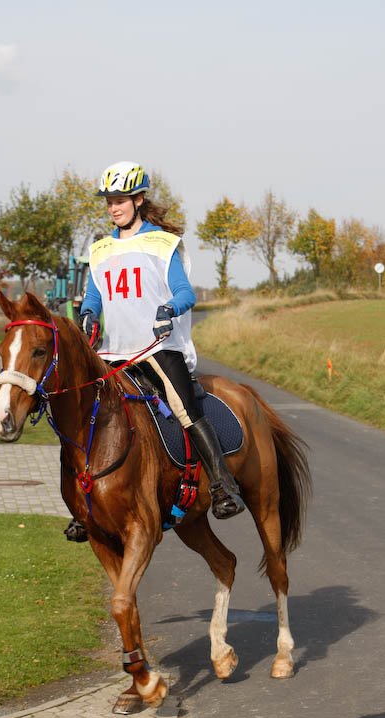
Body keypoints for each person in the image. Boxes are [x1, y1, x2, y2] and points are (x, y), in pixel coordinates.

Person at [77, 160, 245, 526]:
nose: (113, 207)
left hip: (157, 348)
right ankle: (83, 501)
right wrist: (89, 313)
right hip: (112, 351)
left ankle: (221, 484)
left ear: (138, 200)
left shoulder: (163, 244)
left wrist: (169, 308)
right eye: (108, 201)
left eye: (119, 200)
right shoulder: (100, 250)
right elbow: (94, 296)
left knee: (186, 409)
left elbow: (185, 293)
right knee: (83, 411)